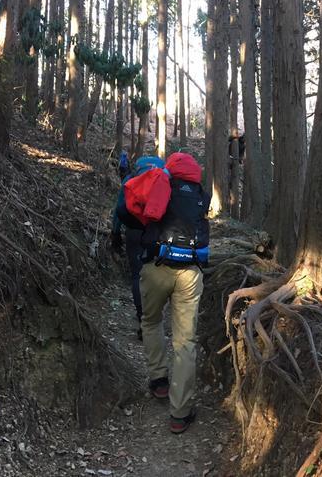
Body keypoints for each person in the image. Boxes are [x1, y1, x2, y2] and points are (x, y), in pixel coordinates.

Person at [117, 152, 210, 434]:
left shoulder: (159, 183)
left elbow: (124, 212)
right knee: (185, 342)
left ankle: (158, 380)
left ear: (169, 168)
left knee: (151, 321)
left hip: (155, 266)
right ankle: (180, 413)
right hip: (190, 272)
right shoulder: (199, 195)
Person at [111, 155, 165, 340]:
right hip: (156, 232)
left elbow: (119, 208)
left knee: (137, 275)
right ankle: (154, 320)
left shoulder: (131, 179)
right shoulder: (164, 179)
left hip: (134, 231)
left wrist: (115, 233)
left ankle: (143, 320)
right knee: (155, 275)